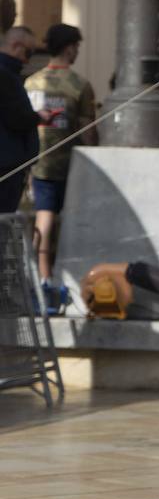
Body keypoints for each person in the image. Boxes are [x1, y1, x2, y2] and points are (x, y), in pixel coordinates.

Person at [24, 23, 97, 312]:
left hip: (37, 163)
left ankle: (41, 279)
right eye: (77, 47)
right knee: (67, 225)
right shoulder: (79, 85)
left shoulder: (31, 82)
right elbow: (88, 131)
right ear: (69, 48)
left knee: (44, 223)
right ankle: (64, 281)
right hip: (71, 166)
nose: (77, 51)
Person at [0, 26, 40, 215]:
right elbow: (17, 118)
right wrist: (40, 117)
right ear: (16, 46)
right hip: (7, 165)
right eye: (29, 52)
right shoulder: (6, 75)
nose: (28, 59)